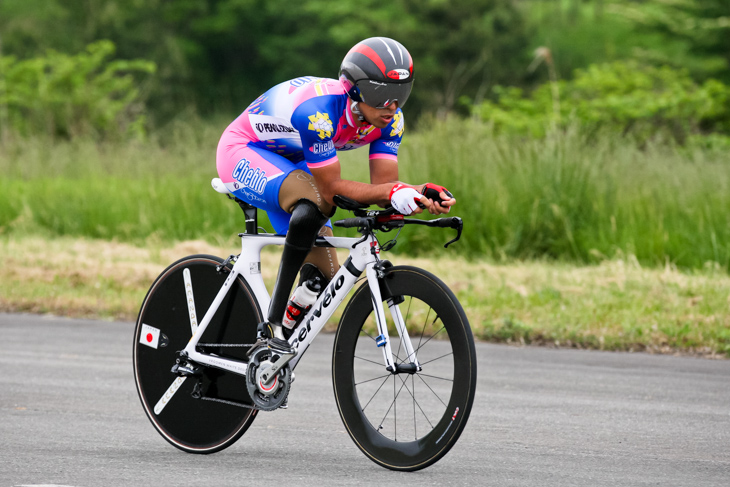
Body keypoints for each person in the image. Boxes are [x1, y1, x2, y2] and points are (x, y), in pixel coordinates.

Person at [216, 36, 455, 344]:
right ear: (356, 89)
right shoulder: (319, 112)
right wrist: (393, 193)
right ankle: (273, 324)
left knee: (325, 281)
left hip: (293, 164)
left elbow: (384, 189)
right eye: (382, 95)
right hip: (242, 150)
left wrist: (419, 192)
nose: (392, 106)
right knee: (315, 201)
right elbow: (330, 192)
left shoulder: (390, 120)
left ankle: (277, 342)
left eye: (401, 94)